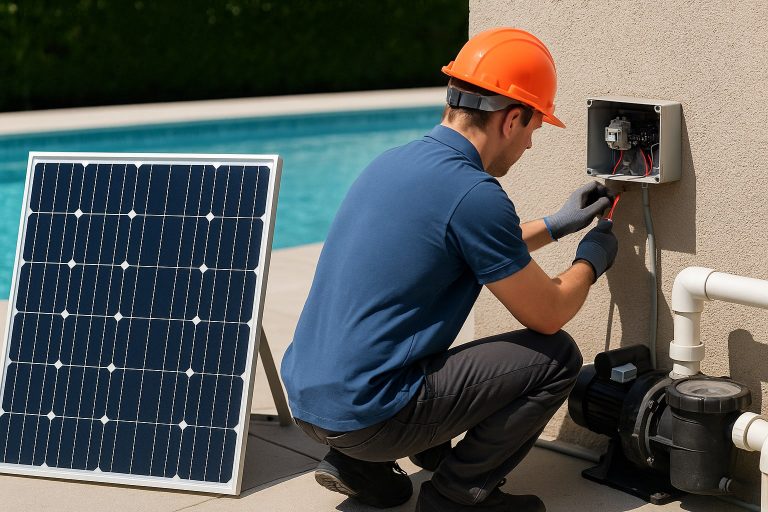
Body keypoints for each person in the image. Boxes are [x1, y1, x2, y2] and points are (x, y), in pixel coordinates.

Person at [279, 27, 618, 512]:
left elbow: (470, 243)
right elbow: (548, 313)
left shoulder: (394, 162)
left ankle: (358, 465)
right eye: (531, 130)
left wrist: (557, 224)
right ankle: (458, 498)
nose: (528, 147)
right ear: (512, 118)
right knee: (556, 357)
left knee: (428, 359)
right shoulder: (474, 193)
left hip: (312, 404)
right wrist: (591, 259)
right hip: (369, 414)